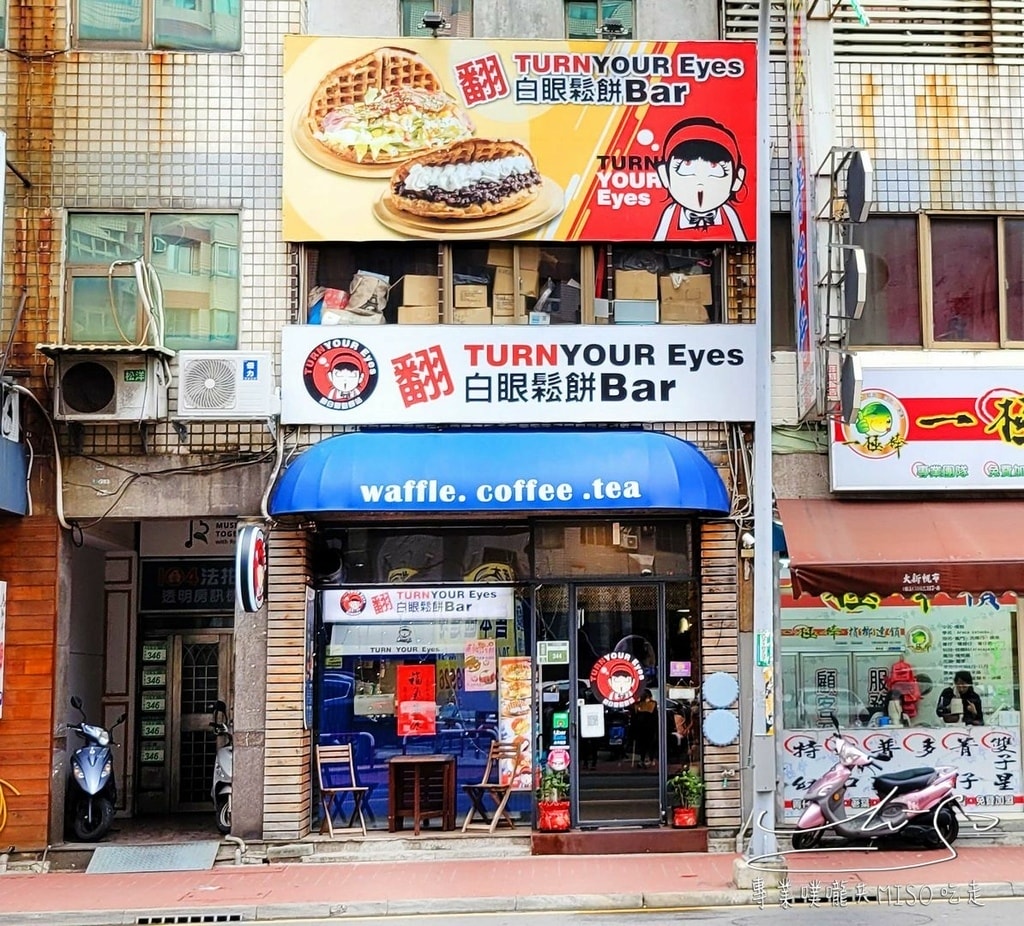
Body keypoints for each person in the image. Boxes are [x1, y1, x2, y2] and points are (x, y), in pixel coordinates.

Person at [654, 116, 748, 241]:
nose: (700, 184)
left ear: (737, 180)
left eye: (716, 169)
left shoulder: (729, 214)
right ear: (664, 175)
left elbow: (741, 239)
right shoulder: (669, 214)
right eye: (686, 167)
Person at [632, 690, 658, 768]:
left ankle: (650, 759)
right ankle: (642, 759)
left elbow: (655, 717)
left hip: (649, 727)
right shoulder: (637, 705)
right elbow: (634, 718)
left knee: (650, 744)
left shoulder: (652, 704)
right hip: (641, 728)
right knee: (642, 745)